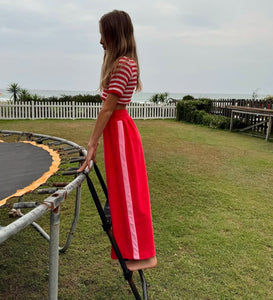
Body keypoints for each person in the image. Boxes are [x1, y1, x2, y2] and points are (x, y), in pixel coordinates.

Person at [78, 10, 157, 271]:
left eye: (103, 34)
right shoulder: (124, 62)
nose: (100, 40)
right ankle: (128, 245)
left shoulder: (123, 64)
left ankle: (134, 249)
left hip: (120, 132)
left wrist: (92, 144)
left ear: (113, 34)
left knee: (126, 192)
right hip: (119, 132)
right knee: (121, 191)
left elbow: (108, 109)